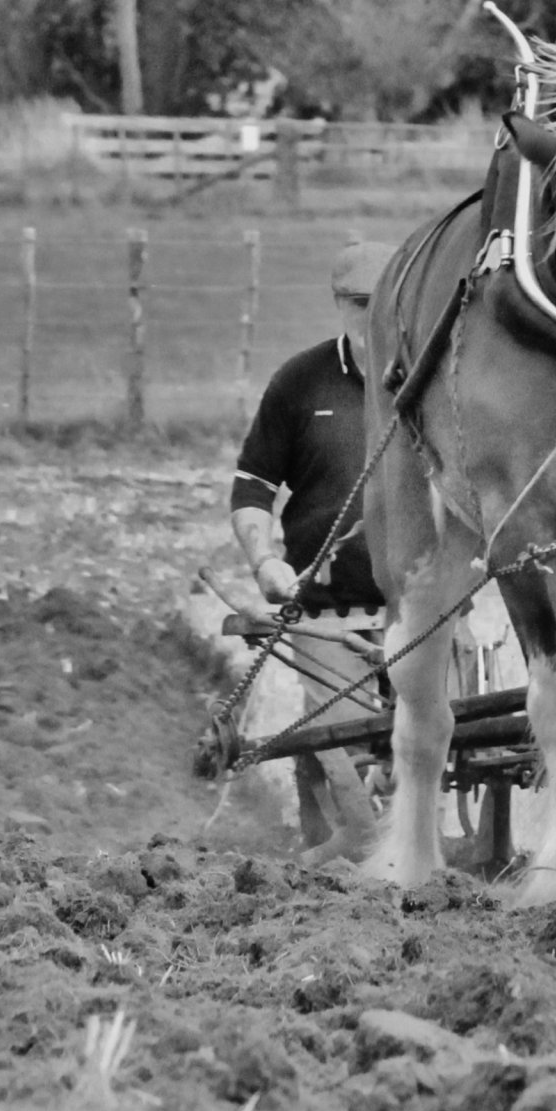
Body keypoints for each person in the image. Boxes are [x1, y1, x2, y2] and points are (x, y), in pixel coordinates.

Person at [228, 239, 395, 861]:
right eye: (360, 303)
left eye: (386, 303)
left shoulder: (435, 379)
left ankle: (415, 846)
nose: (373, 316)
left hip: (425, 607)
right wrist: (265, 561)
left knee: (435, 740)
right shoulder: (301, 382)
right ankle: (335, 858)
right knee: (340, 745)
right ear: (338, 304)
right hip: (328, 611)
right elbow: (253, 486)